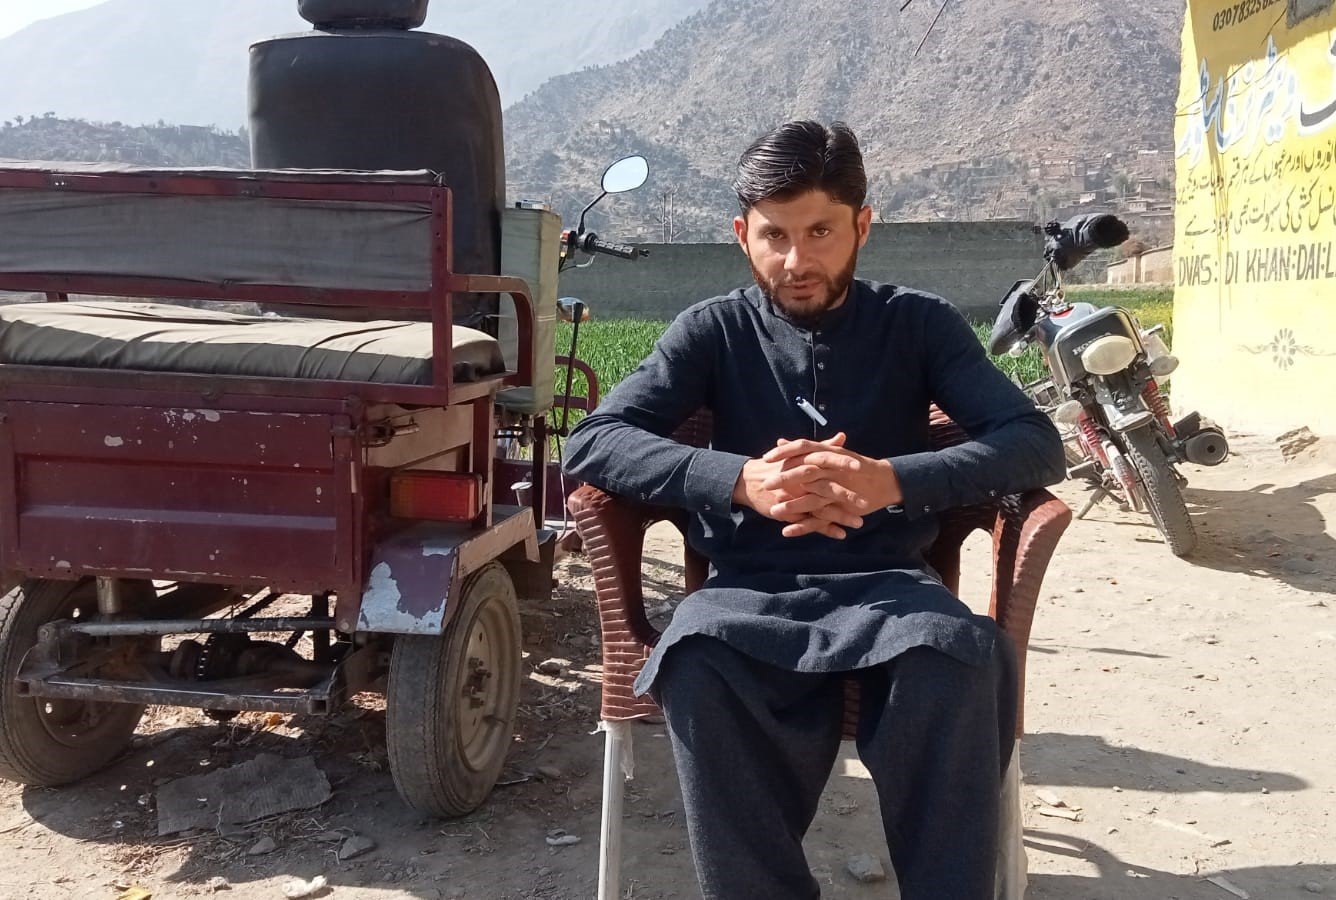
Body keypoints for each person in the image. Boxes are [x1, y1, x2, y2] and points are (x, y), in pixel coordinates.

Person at [562, 120, 1066, 900]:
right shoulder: (713, 331)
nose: (797, 261)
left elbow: (1034, 442)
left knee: (957, 660)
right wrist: (740, 480)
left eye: (821, 231)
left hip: (891, 588)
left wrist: (890, 481)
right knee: (697, 661)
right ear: (743, 235)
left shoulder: (918, 324)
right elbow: (593, 442)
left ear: (862, 225)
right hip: (749, 589)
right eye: (775, 235)